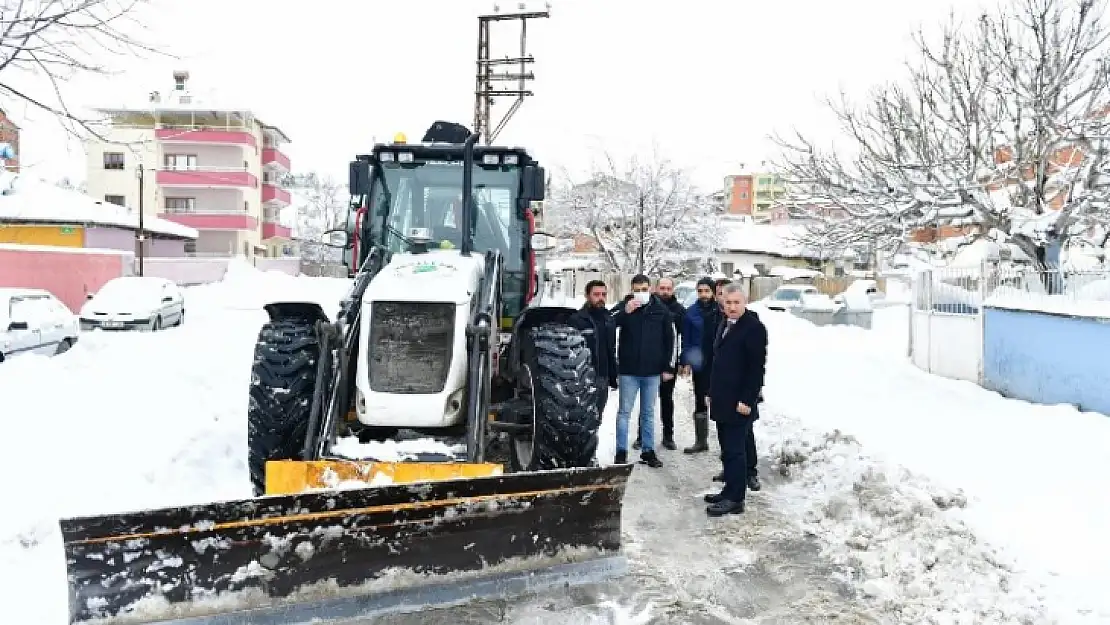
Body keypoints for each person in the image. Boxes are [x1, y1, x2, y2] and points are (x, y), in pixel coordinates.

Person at [704, 283, 767, 516]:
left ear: (745, 302)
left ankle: (736, 498)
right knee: (726, 449)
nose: (732, 307)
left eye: (736, 302)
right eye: (728, 302)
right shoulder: (724, 324)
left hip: (739, 402)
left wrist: (748, 400)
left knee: (736, 450)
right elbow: (718, 363)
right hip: (722, 398)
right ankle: (729, 489)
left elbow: (756, 369)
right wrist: (711, 391)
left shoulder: (754, 328)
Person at [612, 274, 677, 468]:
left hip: (652, 371)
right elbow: (609, 322)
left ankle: (648, 451)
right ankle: (620, 452)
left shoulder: (661, 310)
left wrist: (668, 366)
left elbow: (670, 339)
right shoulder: (625, 305)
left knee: (648, 413)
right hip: (628, 370)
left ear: (651, 289)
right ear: (632, 290)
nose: (641, 293)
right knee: (624, 412)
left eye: (644, 289)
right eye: (637, 290)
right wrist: (625, 311)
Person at [631, 276, 685, 451]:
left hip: (667, 364)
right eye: (662, 288)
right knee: (647, 402)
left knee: (667, 400)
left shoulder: (679, 310)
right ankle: (641, 436)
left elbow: (679, 339)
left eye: (668, 288)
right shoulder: (647, 305)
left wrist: (672, 365)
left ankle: (668, 436)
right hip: (648, 365)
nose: (665, 291)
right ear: (655, 288)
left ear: (673, 290)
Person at [679, 277, 721, 454]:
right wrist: (686, 362)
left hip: (719, 363)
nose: (703, 295)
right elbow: (686, 340)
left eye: (706, 291)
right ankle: (701, 441)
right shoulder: (691, 313)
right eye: (700, 291)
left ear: (712, 292)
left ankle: (725, 443)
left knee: (720, 402)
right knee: (700, 399)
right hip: (700, 363)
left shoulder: (721, 311)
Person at [568, 280, 618, 414]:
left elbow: (611, 349)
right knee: (581, 416)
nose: (601, 298)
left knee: (597, 416)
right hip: (583, 378)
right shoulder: (577, 319)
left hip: (603, 376)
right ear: (587, 295)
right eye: (596, 294)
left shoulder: (609, 319)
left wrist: (613, 375)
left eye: (603, 294)